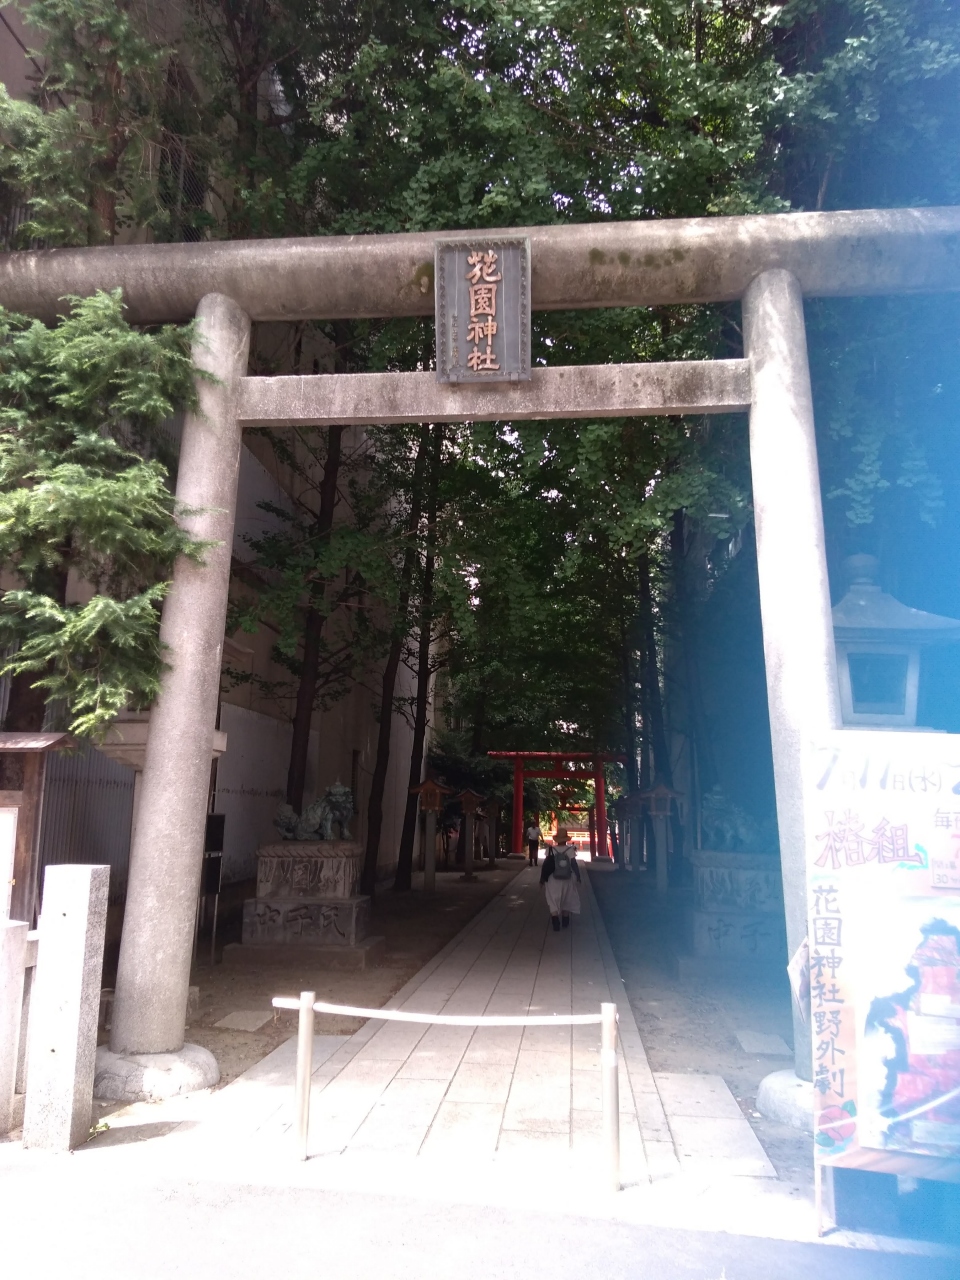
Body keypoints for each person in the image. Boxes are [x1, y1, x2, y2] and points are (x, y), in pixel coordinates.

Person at [540, 827, 581, 931]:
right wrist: (578, 876)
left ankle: (555, 921)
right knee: (567, 898)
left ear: (557, 839)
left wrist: (542, 879)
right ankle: (565, 921)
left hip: (552, 878)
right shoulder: (570, 850)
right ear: (566, 839)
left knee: (552, 899)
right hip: (567, 877)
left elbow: (545, 865)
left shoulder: (550, 850)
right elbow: (574, 864)